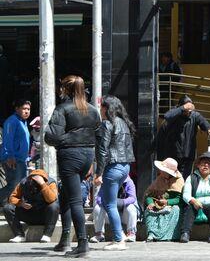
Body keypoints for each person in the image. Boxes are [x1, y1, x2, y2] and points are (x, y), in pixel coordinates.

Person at [45, 75, 101, 257]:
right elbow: (99, 137)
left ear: (66, 89)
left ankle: (82, 244)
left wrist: (68, 139)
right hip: (88, 155)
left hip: (70, 155)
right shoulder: (93, 110)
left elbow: (51, 137)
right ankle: (65, 240)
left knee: (74, 200)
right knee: (67, 195)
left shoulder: (63, 109)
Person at [93, 95, 136, 250]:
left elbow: (103, 151)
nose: (100, 109)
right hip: (125, 166)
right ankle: (120, 235)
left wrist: (99, 174)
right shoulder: (124, 123)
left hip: (112, 167)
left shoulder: (107, 124)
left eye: (102, 107)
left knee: (109, 203)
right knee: (108, 202)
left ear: (107, 108)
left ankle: (119, 240)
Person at [158, 95, 210, 178]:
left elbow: (204, 123)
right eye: (186, 110)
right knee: (171, 177)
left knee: (185, 178)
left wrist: (209, 129)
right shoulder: (175, 114)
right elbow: (167, 116)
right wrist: (182, 108)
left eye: (189, 110)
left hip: (188, 154)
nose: (188, 112)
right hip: (173, 154)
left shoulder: (195, 116)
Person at [180, 152, 210, 243]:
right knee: (189, 208)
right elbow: (186, 194)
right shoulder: (191, 177)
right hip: (196, 205)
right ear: (198, 165)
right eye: (203, 163)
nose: (206, 166)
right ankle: (185, 233)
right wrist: (193, 200)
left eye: (208, 164)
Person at [3, 169, 59, 243]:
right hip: (29, 213)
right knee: (8, 208)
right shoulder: (24, 182)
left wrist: (42, 184)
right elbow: (12, 198)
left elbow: (51, 199)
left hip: (44, 216)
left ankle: (47, 235)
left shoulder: (50, 183)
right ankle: (19, 235)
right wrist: (21, 203)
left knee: (54, 206)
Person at [144, 158, 185, 242]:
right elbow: (149, 195)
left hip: (172, 206)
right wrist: (150, 203)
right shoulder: (159, 179)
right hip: (157, 204)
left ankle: (168, 236)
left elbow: (180, 199)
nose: (160, 171)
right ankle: (152, 234)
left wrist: (167, 202)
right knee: (149, 211)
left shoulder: (179, 181)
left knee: (175, 210)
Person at [90, 176, 139, 244]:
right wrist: (110, 202)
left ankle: (131, 233)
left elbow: (132, 198)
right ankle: (99, 234)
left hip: (123, 215)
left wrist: (120, 202)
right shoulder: (107, 182)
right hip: (109, 216)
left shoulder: (129, 182)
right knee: (97, 208)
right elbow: (99, 199)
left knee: (131, 207)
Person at [0, 99, 31, 205]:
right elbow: (8, 140)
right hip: (13, 159)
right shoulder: (12, 121)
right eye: (24, 109)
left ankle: (10, 207)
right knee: (15, 185)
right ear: (17, 109)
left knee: (18, 185)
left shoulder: (23, 122)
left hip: (21, 159)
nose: (27, 111)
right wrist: (10, 156)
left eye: (28, 109)